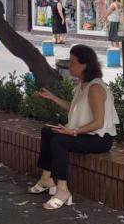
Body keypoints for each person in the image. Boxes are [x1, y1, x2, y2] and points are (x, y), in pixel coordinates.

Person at [28, 44, 118, 210]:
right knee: (48, 131)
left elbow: (98, 122)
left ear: (84, 65)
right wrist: (52, 97)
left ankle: (62, 190)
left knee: (59, 141)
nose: (69, 66)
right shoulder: (82, 85)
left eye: (73, 62)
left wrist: (72, 131)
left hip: (99, 138)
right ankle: (47, 178)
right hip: (85, 133)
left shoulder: (95, 88)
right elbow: (75, 108)